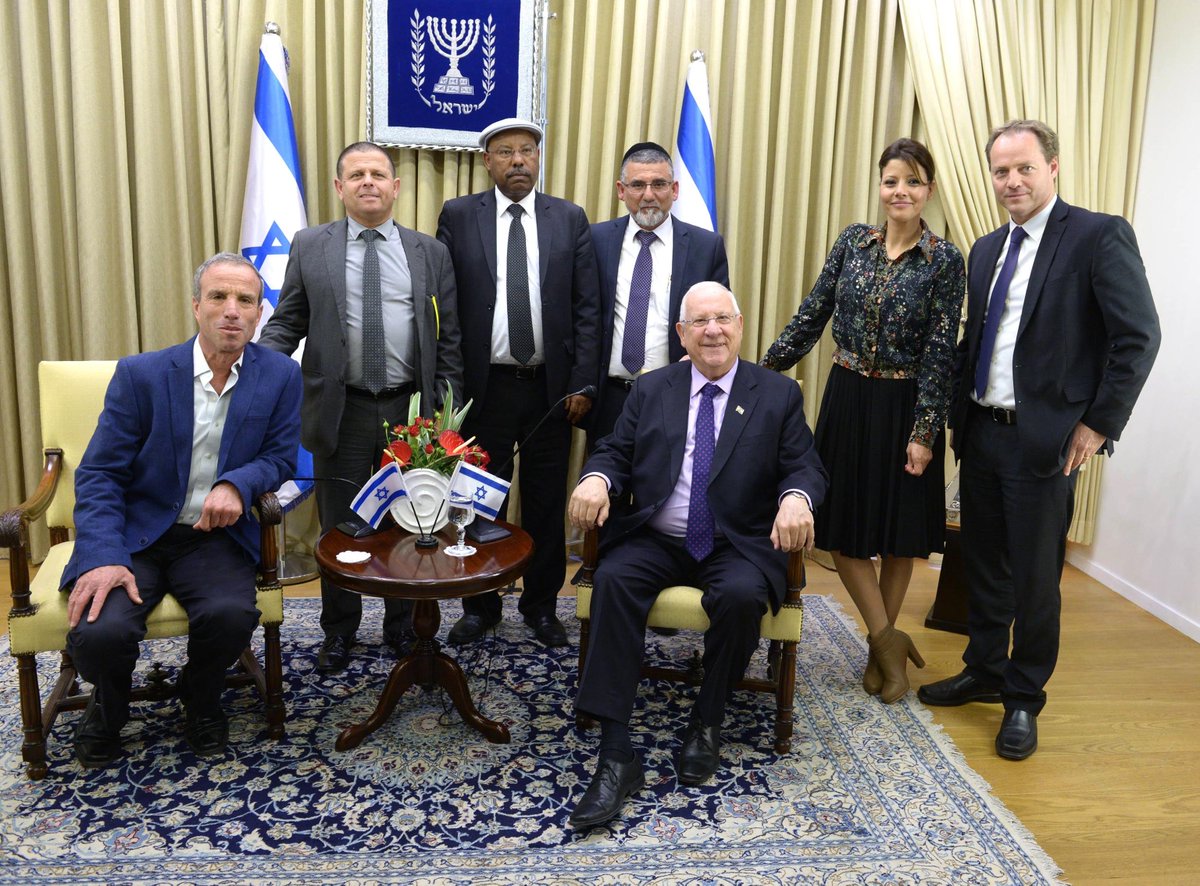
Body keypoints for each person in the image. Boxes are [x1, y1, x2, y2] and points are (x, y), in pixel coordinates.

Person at [918, 119, 1160, 760]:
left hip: (1046, 443)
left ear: (1052, 167)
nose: (1012, 181)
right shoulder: (985, 250)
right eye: (1001, 171)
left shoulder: (1098, 236)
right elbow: (981, 342)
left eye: (1025, 167)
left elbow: (1138, 337)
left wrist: (1098, 424)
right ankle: (984, 669)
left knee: (1033, 578)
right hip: (982, 433)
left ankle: (1024, 698)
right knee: (982, 564)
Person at [566, 282, 827, 830]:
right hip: (658, 536)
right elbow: (615, 450)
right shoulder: (651, 388)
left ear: (740, 326)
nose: (713, 331)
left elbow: (804, 466)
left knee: (740, 597)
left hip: (735, 542)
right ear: (682, 334)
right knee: (613, 579)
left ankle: (708, 720)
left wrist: (796, 498)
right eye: (700, 322)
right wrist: (596, 478)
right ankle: (616, 753)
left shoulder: (776, 394)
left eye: (722, 319)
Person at [62, 253, 302, 767]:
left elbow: (280, 457)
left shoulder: (281, 375)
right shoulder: (142, 375)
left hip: (213, 537)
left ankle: (201, 695)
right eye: (219, 296)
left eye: (245, 300)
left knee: (230, 615)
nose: (232, 310)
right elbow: (99, 473)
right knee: (100, 632)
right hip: (136, 536)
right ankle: (110, 704)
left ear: (259, 313)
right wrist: (103, 556)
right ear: (197, 306)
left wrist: (237, 485)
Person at [761, 138, 965, 703]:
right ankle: (887, 639)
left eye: (913, 182)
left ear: (929, 191)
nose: (901, 191)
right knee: (844, 531)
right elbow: (813, 313)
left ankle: (882, 651)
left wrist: (925, 432)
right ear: (880, 186)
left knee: (898, 538)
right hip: (848, 398)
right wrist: (761, 370)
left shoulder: (945, 261)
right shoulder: (853, 242)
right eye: (891, 180)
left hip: (907, 405)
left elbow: (940, 353)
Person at [259, 141, 464, 673]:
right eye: (356, 175)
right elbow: (288, 321)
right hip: (341, 409)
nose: (367, 182)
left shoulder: (430, 253)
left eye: (377, 174)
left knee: (410, 522)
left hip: (410, 412)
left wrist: (446, 416)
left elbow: (448, 341)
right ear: (339, 187)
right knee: (342, 527)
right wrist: (253, 370)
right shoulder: (311, 246)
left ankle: (403, 627)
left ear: (395, 187)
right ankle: (340, 630)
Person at [436, 117, 600, 648]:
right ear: (487, 161)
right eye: (505, 152)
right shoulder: (459, 216)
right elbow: (446, 309)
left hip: (551, 390)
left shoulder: (568, 218)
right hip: (484, 389)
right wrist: (450, 391)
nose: (518, 161)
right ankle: (480, 605)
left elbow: (587, 308)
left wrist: (582, 384)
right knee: (480, 501)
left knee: (546, 503)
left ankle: (541, 606)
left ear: (538, 157)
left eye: (527, 150)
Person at [587, 141, 729, 447]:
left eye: (659, 184)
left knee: (668, 476)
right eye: (638, 185)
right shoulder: (595, 239)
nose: (649, 195)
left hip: (675, 394)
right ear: (621, 190)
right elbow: (581, 313)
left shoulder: (706, 247)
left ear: (675, 190)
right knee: (606, 474)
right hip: (608, 396)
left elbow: (718, 321)